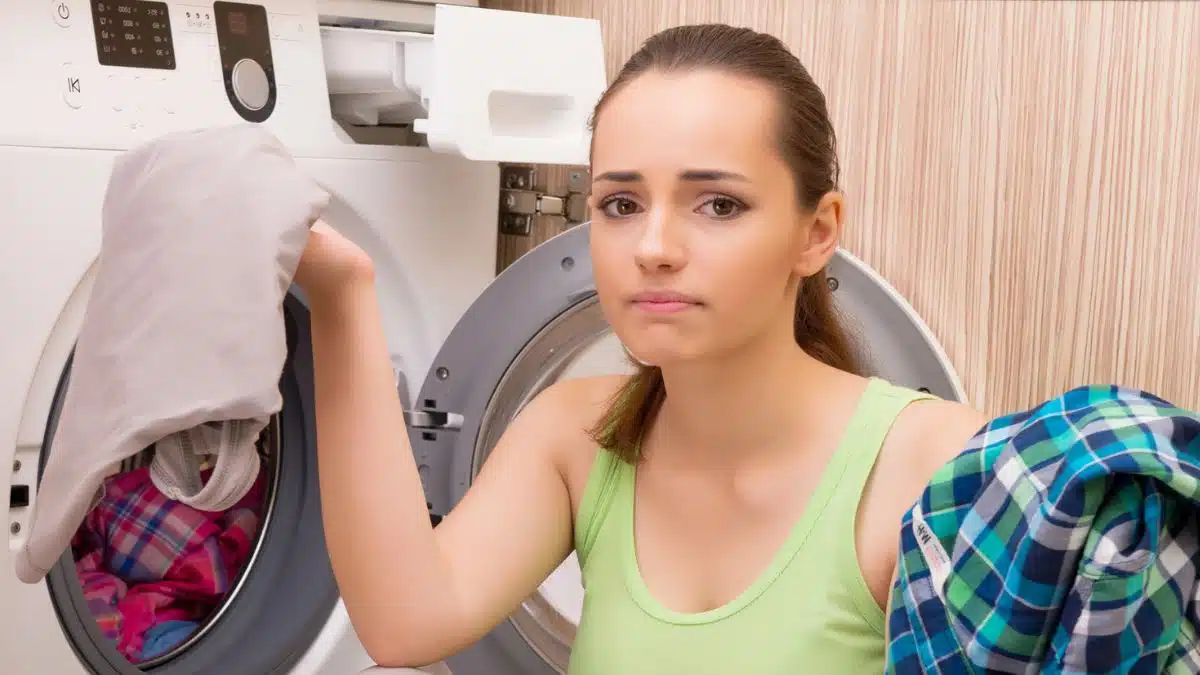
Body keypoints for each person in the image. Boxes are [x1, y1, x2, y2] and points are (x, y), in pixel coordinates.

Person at [294, 23, 988, 674]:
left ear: (816, 232)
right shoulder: (576, 434)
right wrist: (341, 293)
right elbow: (405, 620)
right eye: (621, 204)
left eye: (718, 204)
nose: (653, 248)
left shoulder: (932, 465)